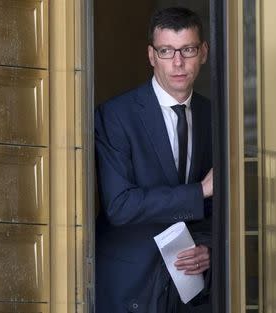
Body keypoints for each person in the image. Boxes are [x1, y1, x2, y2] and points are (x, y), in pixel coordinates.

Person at [95, 7, 213, 313]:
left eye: (187, 49)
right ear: (151, 55)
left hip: (188, 291)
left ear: (203, 52)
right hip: (130, 285)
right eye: (166, 51)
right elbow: (120, 205)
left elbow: (222, 210)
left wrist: (209, 250)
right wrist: (198, 191)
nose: (177, 62)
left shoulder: (214, 117)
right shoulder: (115, 116)